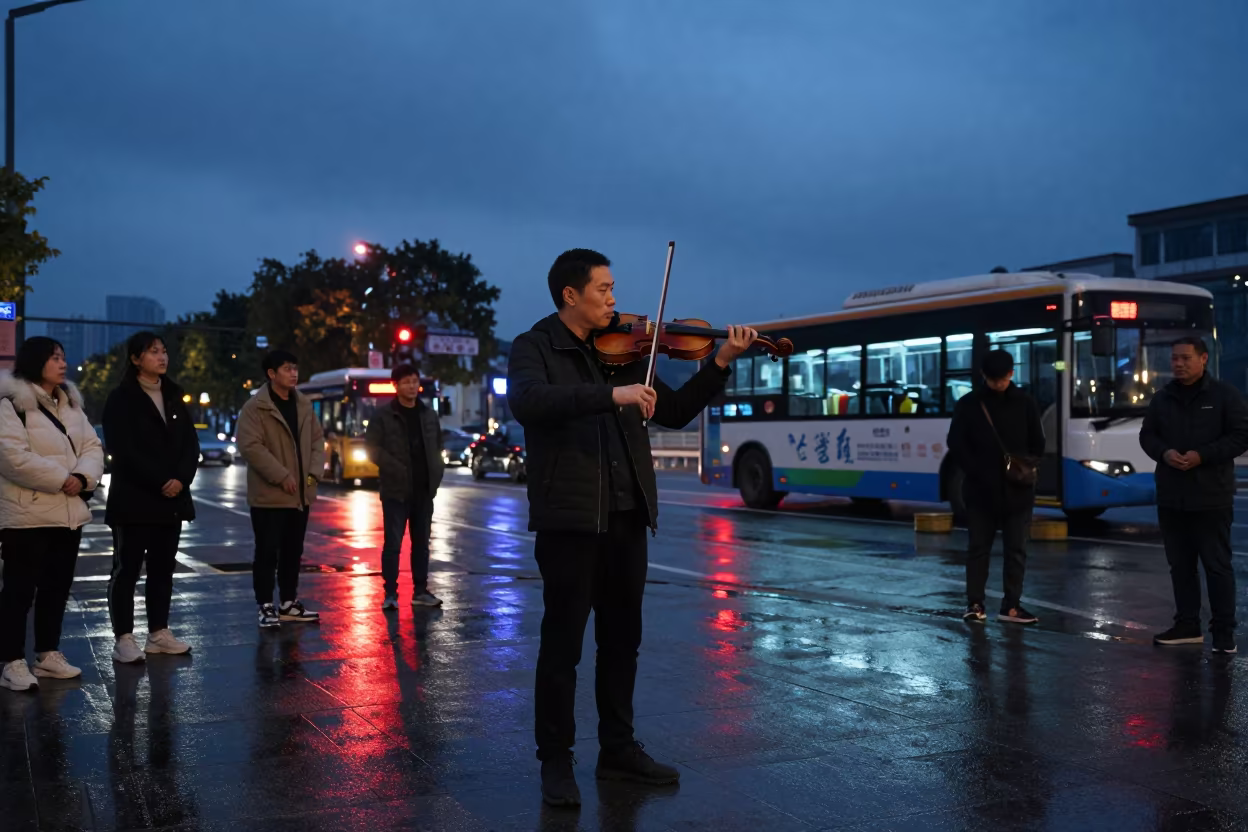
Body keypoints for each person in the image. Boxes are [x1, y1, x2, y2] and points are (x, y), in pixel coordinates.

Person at [507, 248, 757, 808]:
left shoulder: (625, 352)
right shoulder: (536, 346)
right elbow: (529, 402)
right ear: (571, 295)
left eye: (614, 289)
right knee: (563, 645)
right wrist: (609, 395)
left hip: (625, 516)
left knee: (623, 642)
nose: (615, 301)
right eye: (604, 290)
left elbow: (670, 412)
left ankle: (617, 748)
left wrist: (718, 363)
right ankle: (556, 760)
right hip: (570, 520)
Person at [0, 337, 105, 690]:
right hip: (26, 514)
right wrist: (64, 479)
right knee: (18, 590)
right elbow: (12, 458)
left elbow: (92, 445)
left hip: (67, 514)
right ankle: (12, 661)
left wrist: (81, 478)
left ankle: (47, 654)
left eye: (63, 356)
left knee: (56, 588)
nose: (62, 363)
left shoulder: (71, 404)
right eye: (54, 357)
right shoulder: (11, 403)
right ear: (35, 361)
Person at [1139, 336, 1248, 655]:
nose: (1178, 364)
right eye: (1174, 358)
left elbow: (1241, 436)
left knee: (1216, 565)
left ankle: (1224, 632)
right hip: (1172, 496)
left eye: (1185, 358)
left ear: (1203, 359)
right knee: (1180, 565)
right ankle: (1187, 625)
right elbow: (1148, 435)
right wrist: (1164, 453)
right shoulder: (1163, 398)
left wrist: (1203, 455)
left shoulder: (1224, 395)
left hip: (1211, 495)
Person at [102, 332, 201, 663]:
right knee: (126, 570)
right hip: (134, 499)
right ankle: (124, 638)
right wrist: (161, 480)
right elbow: (122, 449)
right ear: (135, 359)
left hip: (170, 501)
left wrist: (181, 480)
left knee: (163, 569)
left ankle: (159, 632)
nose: (162, 357)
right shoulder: (121, 398)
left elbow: (190, 445)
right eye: (153, 352)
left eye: (164, 351)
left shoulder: (173, 396)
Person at [947, 348, 1045, 626]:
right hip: (982, 491)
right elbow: (955, 442)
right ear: (983, 376)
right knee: (979, 549)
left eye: (1001, 379)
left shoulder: (1025, 403)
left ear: (1011, 375)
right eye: (992, 380)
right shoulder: (969, 403)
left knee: (1016, 550)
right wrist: (977, 470)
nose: (997, 384)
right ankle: (975, 604)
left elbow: (1038, 443)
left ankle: (1011, 606)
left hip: (1015, 490)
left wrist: (1021, 466)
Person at [236, 350, 325, 629]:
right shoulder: (256, 408)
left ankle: (288, 603)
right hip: (269, 497)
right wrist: (281, 475)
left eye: (295, 368)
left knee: (292, 551)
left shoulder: (303, 405)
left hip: (300, 496)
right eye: (287, 369)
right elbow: (251, 446)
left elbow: (317, 442)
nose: (293, 373)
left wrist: (312, 476)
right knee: (267, 551)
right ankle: (265, 605)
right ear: (271, 374)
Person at [364, 363, 445, 610]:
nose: (412, 386)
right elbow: (372, 449)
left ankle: (421, 590)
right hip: (396, 491)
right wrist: (396, 469)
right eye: (406, 382)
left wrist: (437, 473)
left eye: (415, 381)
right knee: (393, 544)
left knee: (421, 544)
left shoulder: (428, 414)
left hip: (423, 491)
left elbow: (438, 446)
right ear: (395, 385)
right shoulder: (383, 416)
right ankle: (390, 592)